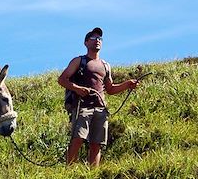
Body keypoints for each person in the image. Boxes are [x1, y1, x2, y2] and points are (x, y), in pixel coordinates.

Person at [57, 27, 139, 166]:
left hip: (101, 109)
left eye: (100, 39)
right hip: (82, 107)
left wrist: (127, 84)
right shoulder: (79, 61)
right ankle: (69, 171)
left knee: (96, 144)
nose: (97, 41)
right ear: (86, 42)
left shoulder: (106, 66)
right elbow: (62, 80)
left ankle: (93, 174)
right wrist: (78, 89)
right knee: (77, 139)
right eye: (94, 38)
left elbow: (110, 89)